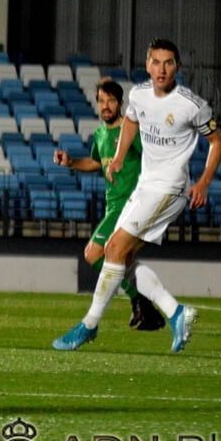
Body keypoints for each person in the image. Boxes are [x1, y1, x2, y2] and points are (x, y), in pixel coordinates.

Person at [52, 39, 221, 353]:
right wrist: (118, 157)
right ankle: (175, 312)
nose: (162, 69)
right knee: (120, 256)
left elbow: (217, 142)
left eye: (168, 63)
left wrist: (203, 182)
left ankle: (89, 325)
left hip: (169, 187)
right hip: (147, 186)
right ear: (147, 65)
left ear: (177, 67)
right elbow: (131, 121)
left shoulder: (191, 104)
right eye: (156, 62)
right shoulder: (139, 95)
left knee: (112, 249)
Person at [52, 79, 164, 333]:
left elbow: (152, 158)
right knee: (124, 262)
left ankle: (140, 301)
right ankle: (148, 312)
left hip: (129, 205)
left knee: (93, 253)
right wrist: (71, 162)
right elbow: (95, 163)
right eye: (101, 101)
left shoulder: (130, 130)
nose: (105, 106)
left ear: (120, 103)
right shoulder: (100, 135)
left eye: (111, 101)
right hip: (113, 206)